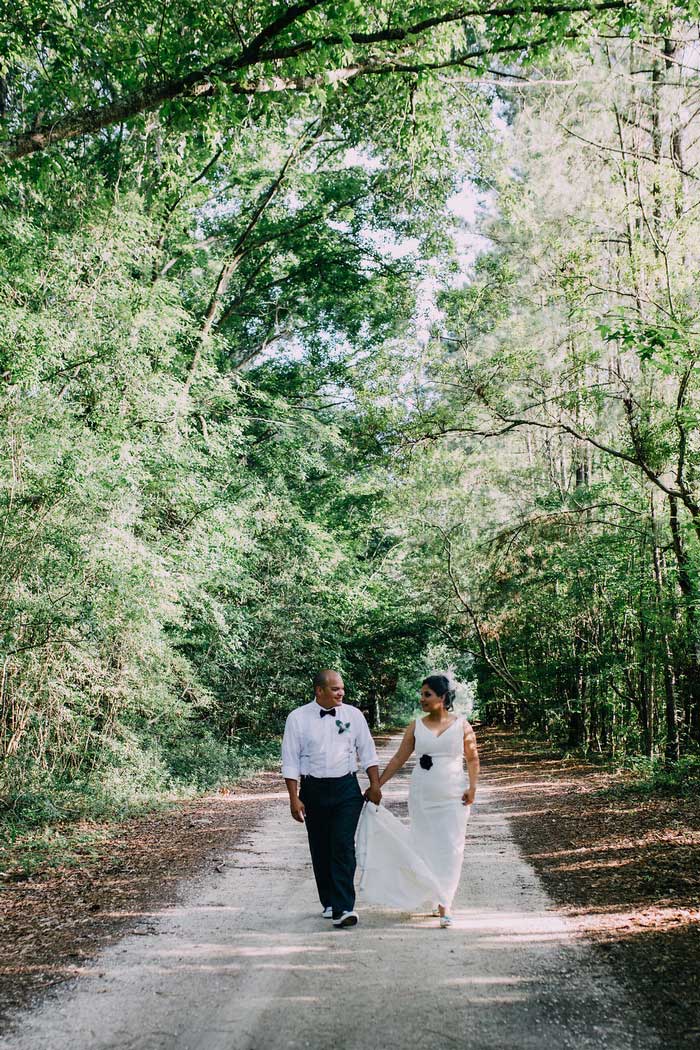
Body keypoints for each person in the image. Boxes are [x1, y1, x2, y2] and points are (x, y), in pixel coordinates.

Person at [355, 673, 480, 928]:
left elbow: (473, 758)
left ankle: (446, 903)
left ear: (442, 697)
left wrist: (473, 787)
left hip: (452, 796)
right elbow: (399, 759)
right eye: (421, 694)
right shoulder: (416, 726)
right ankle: (436, 892)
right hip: (423, 796)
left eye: (427, 694)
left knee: (451, 848)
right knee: (425, 846)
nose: (422, 699)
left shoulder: (462, 726)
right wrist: (377, 784)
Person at [281, 669, 382, 928]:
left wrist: (374, 784)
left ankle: (343, 907)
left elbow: (368, 752)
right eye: (336, 689)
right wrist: (294, 798)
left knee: (343, 845)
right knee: (320, 846)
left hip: (346, 788)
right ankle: (328, 900)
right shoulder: (297, 718)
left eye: (342, 689)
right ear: (319, 690)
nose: (341, 693)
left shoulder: (354, 715)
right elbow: (290, 760)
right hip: (313, 789)